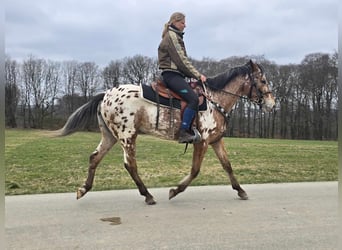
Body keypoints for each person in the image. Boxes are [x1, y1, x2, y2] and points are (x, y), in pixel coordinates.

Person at [158, 12, 207, 143]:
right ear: (174, 21)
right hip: (171, 75)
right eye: (182, 22)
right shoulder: (172, 36)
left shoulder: (174, 35)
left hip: (175, 75)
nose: (185, 25)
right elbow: (181, 60)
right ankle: (184, 132)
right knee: (193, 99)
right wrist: (198, 75)